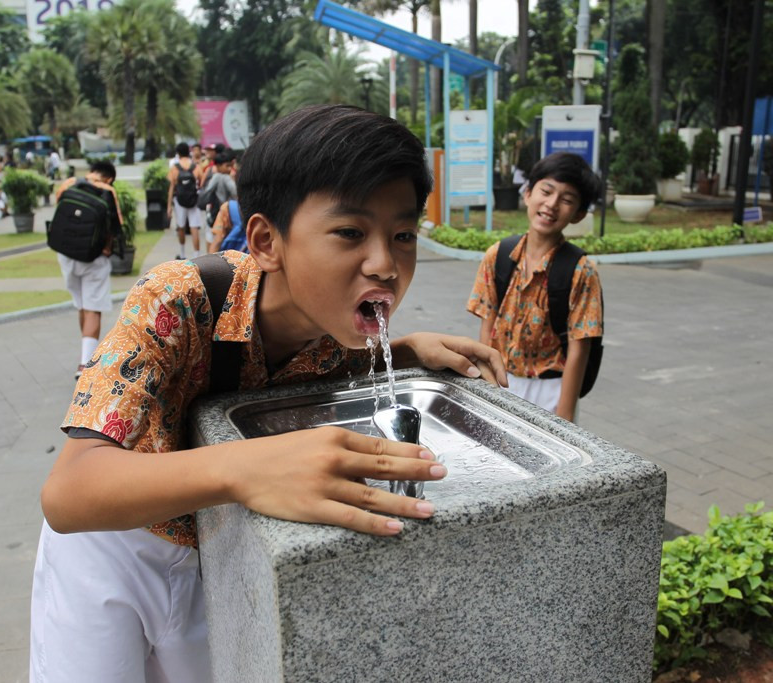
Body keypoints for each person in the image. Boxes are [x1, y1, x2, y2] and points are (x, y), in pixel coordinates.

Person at [30, 104, 507, 683]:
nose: (384, 264)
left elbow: (343, 362)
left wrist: (407, 350)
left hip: (216, 554)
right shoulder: (178, 298)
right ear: (265, 240)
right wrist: (246, 467)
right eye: (350, 232)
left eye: (402, 234)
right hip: (113, 548)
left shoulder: (330, 335)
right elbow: (69, 492)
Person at [467, 152, 604, 423]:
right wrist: (485, 386)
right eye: (546, 191)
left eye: (566, 200)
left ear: (577, 214)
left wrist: (565, 413)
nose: (552, 204)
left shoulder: (581, 269)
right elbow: (488, 326)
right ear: (528, 193)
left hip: (551, 388)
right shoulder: (498, 256)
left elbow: (580, 348)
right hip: (501, 379)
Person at [53, 160, 123, 380]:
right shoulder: (108, 190)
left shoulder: (69, 183)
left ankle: (85, 353)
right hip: (94, 257)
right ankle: (85, 363)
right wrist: (108, 248)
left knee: (82, 304)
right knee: (93, 307)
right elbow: (116, 226)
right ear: (109, 177)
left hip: (66, 254)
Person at [166, 141, 207, 259]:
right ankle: (197, 255)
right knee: (194, 227)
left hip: (179, 201)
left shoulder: (175, 168)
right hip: (193, 200)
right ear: (188, 152)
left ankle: (183, 253)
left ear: (178, 154)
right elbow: (202, 180)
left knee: (181, 226)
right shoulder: (195, 166)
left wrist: (169, 206)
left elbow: (171, 187)